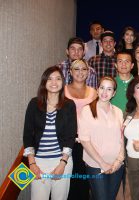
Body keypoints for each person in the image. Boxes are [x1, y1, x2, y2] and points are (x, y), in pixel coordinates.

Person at [23, 66, 77, 200]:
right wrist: (32, 163)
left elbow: (71, 136)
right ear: (44, 82)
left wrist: (63, 163)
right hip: (38, 162)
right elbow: (27, 135)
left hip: (61, 161)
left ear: (62, 82)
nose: (54, 82)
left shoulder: (69, 105)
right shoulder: (34, 104)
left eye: (58, 79)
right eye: (50, 79)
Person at [78, 76, 124, 200]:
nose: (105, 92)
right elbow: (84, 140)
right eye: (102, 88)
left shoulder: (118, 112)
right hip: (95, 165)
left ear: (114, 93)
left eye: (109, 89)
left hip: (116, 166)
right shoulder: (87, 110)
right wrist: (102, 163)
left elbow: (122, 139)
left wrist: (118, 161)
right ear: (97, 90)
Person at [64, 59, 97, 200]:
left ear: (88, 72)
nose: (80, 72)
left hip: (88, 140)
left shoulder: (94, 92)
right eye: (76, 69)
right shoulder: (62, 90)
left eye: (83, 69)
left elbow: (97, 116)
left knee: (84, 178)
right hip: (68, 139)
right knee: (69, 177)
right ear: (70, 72)